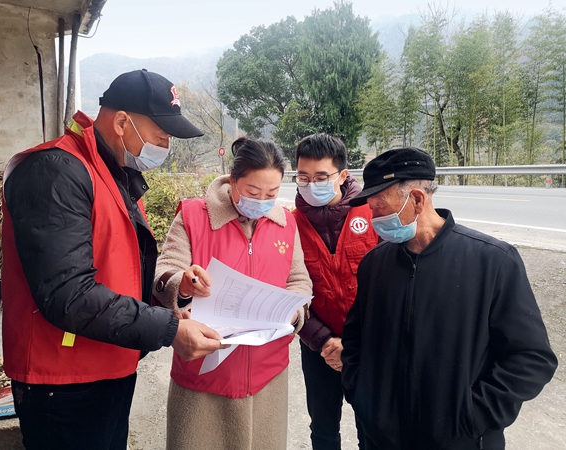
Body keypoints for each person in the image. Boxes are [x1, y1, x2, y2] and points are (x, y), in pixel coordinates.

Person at [1, 69, 226, 450]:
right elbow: (68, 293)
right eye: (161, 136)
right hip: (63, 383)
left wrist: (172, 296)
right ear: (122, 122)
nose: (165, 146)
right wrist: (168, 328)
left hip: (108, 362)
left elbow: (120, 265)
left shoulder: (114, 173)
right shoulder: (56, 172)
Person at [341, 147, 558, 449]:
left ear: (417, 199)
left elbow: (532, 358)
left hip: (462, 439)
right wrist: (361, 395)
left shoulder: (493, 261)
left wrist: (473, 416)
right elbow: (354, 339)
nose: (374, 218)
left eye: (379, 208)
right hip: (380, 438)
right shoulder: (375, 263)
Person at [152, 136, 312, 450]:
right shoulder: (194, 216)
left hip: (268, 375)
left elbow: (299, 281)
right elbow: (165, 270)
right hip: (203, 373)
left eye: (272, 193)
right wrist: (182, 285)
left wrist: (293, 312)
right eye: (253, 192)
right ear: (233, 180)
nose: (263, 201)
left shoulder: (285, 224)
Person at [292, 134, 378, 449]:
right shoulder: (290, 225)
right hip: (318, 346)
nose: (310, 184)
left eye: (321, 177)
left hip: (368, 346)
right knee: (324, 429)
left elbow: (390, 287)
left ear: (342, 175)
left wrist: (354, 345)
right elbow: (288, 292)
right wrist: (323, 341)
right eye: (303, 177)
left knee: (372, 423)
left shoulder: (372, 213)